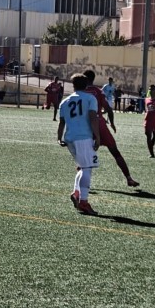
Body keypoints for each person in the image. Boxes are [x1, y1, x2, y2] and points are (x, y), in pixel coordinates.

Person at [82, 70, 139, 187]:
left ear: (85, 79)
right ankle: (129, 178)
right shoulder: (98, 92)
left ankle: (82, 182)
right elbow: (108, 109)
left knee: (85, 155)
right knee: (115, 151)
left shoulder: (81, 92)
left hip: (86, 125)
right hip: (99, 123)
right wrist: (112, 123)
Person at [57, 73, 101, 216]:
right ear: (87, 84)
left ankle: (76, 193)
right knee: (87, 168)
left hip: (70, 138)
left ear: (73, 85)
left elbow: (62, 122)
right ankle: (83, 201)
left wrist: (59, 138)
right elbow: (93, 117)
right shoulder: (90, 98)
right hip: (83, 137)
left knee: (82, 167)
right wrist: (97, 136)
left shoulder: (65, 101)